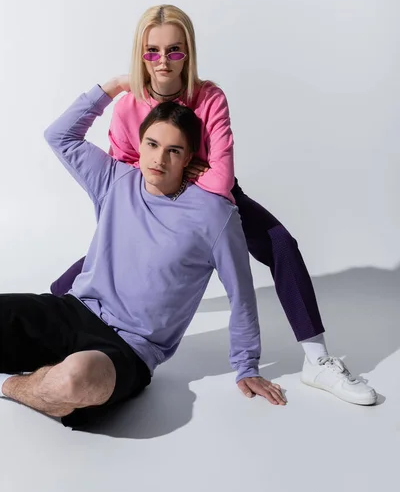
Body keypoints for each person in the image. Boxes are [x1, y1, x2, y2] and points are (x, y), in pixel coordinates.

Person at [49, 4, 377, 407]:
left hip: (212, 201)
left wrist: (177, 178)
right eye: (151, 51)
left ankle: (318, 359)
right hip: (151, 200)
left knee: (281, 245)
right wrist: (117, 85)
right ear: (140, 55)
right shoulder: (127, 105)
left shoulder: (208, 97)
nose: (163, 62)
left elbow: (220, 180)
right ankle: (60, 326)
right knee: (94, 268)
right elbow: (121, 176)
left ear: (188, 52)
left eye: (175, 50)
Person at [0, 82, 287, 429]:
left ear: (189, 157)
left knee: (73, 380)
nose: (159, 159)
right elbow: (60, 135)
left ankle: (12, 384)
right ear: (140, 143)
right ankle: (42, 382)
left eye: (174, 151)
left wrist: (246, 365)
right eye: (152, 144)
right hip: (73, 311)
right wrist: (115, 86)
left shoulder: (214, 215)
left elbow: (241, 293)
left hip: (128, 349)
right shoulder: (115, 179)